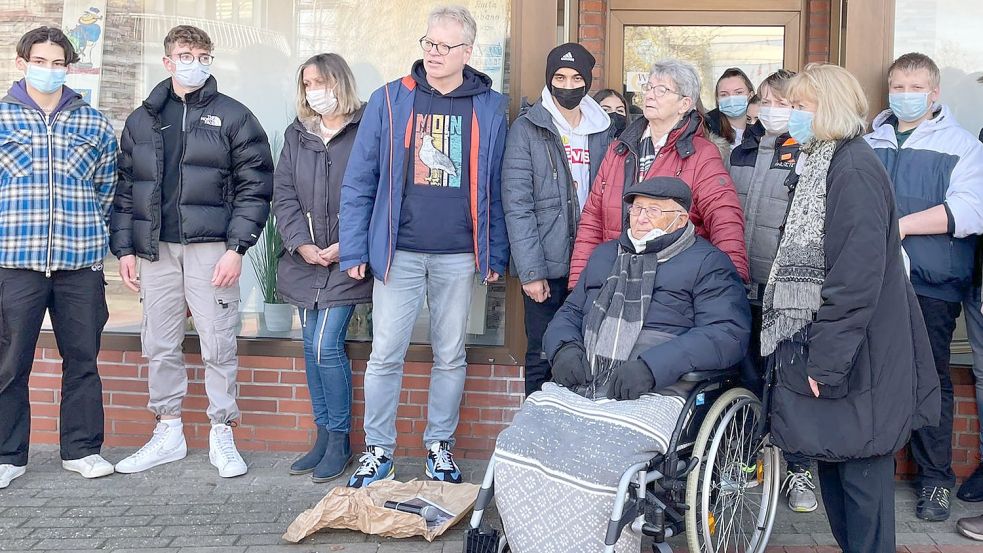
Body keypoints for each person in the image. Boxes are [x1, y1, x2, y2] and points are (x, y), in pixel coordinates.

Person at [493, 176, 750, 552]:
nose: (640, 218)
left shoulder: (708, 263)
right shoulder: (605, 255)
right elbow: (570, 313)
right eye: (636, 208)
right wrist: (564, 348)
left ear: (681, 219)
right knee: (517, 446)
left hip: (659, 388)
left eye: (652, 210)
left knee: (601, 465)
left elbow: (727, 333)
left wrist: (651, 367)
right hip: (589, 380)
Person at [767, 63, 940, 553]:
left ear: (829, 111)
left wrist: (826, 359)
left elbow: (855, 277)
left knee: (863, 489)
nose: (790, 115)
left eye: (800, 106)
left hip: (859, 354)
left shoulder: (853, 169)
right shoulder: (826, 161)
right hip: (846, 350)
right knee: (840, 475)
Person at [339, 5, 509, 488]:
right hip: (399, 253)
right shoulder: (391, 98)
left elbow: (496, 185)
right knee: (385, 354)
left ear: (467, 52)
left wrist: (493, 253)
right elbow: (360, 180)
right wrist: (355, 251)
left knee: (450, 355)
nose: (434, 53)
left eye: (445, 46)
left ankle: (439, 446)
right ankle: (379, 451)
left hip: (459, 255)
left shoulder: (490, 106)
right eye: (428, 43)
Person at [111, 25, 274, 478]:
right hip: (156, 250)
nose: (195, 62)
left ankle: (222, 432)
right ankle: (168, 431)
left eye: (203, 54)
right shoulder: (143, 119)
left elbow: (256, 186)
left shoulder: (234, 116)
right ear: (167, 61)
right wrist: (125, 248)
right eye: (185, 54)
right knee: (159, 342)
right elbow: (126, 190)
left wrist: (237, 248)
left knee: (217, 342)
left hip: (211, 249)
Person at [864, 52, 983, 521]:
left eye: (916, 86)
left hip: (931, 284)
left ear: (935, 93)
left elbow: (970, 211)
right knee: (870, 376)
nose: (905, 94)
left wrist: (900, 225)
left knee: (928, 379)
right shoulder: (868, 142)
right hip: (872, 280)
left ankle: (936, 481)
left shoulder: (963, 146)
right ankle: (868, 474)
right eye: (898, 84)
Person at [0, 26, 118, 489]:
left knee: (83, 360)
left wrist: (91, 234)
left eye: (58, 63)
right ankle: (8, 456)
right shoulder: (2, 118)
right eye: (40, 61)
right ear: (22, 62)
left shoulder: (93, 123)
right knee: (10, 364)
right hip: (15, 263)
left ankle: (83, 450)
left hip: (79, 266)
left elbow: (108, 189)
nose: (49, 71)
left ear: (69, 68)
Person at [273, 53, 372, 483]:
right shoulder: (297, 134)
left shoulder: (368, 127)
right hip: (306, 259)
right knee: (310, 347)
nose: (316, 90)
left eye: (322, 81)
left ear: (340, 82)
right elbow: (284, 194)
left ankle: (340, 440)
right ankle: (322, 434)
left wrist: (346, 246)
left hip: (346, 260)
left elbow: (377, 191)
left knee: (324, 345)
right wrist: (301, 243)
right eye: (308, 83)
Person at [569, 58, 748, 290]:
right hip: (614, 279)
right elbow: (592, 220)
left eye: (662, 90)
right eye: (649, 87)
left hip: (672, 288)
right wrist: (578, 286)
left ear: (685, 104)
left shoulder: (702, 154)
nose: (650, 95)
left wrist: (730, 287)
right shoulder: (619, 149)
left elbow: (725, 221)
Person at [728, 69, 817, 513]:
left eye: (781, 100)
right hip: (743, 283)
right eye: (763, 100)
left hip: (788, 291)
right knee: (745, 373)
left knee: (790, 379)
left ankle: (798, 470)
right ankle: (745, 457)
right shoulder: (741, 149)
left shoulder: (809, 153)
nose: (771, 109)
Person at [502, 43, 613, 396]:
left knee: (588, 351)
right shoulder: (528, 128)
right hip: (546, 267)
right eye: (560, 77)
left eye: (577, 77)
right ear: (549, 80)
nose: (568, 85)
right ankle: (534, 434)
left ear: (588, 81)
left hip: (593, 264)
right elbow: (517, 204)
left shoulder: (605, 130)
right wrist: (531, 272)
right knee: (541, 353)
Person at [706, 67, 755, 147]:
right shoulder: (706, 127)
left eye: (738, 92)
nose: (731, 99)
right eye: (724, 94)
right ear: (718, 99)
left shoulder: (764, 126)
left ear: (751, 95)